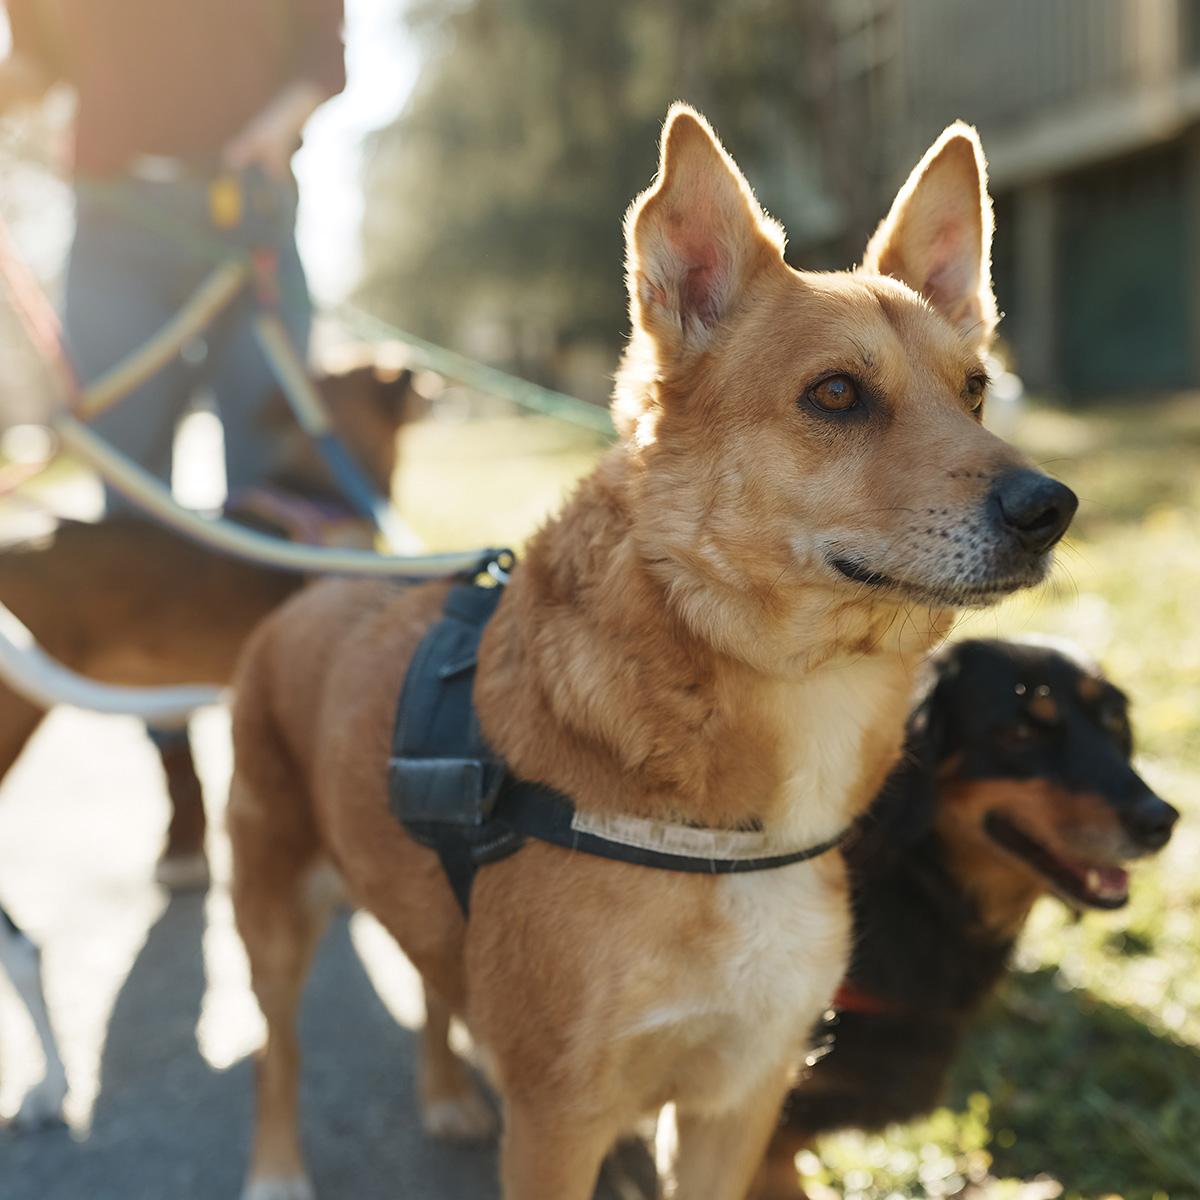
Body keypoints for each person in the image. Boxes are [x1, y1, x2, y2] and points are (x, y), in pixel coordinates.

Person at [0, 0, 345, 501]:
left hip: (248, 214)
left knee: (271, 477)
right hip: (113, 222)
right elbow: (38, 57)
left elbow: (322, 47)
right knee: (130, 489)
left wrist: (276, 126)